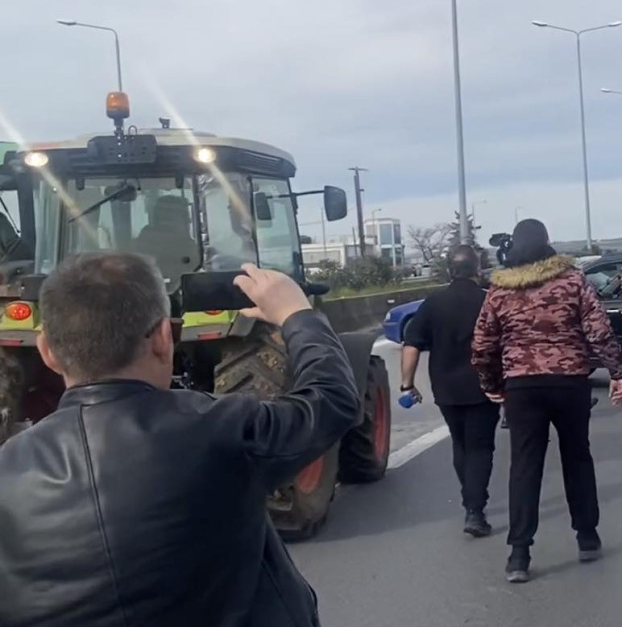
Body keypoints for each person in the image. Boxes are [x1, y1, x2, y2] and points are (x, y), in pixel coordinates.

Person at [0, 254, 358, 627]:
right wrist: (296, 312)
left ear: (47, 352)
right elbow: (331, 400)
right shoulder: (222, 427)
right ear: (163, 338)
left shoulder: (7, 470)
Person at [472, 219, 622, 584]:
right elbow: (598, 329)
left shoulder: (499, 290)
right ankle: (587, 536)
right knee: (577, 457)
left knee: (525, 467)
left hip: (522, 388)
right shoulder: (573, 280)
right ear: (547, 245)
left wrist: (492, 384)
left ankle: (519, 555)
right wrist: (617, 371)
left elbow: (482, 345)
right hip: (569, 382)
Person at [400, 245, 499, 537]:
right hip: (484, 386)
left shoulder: (433, 303)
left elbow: (411, 345)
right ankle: (475, 511)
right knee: (481, 447)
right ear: (477, 269)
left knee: (461, 443)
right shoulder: (489, 301)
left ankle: (469, 501)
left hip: (446, 388)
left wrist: (407, 384)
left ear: (450, 270)